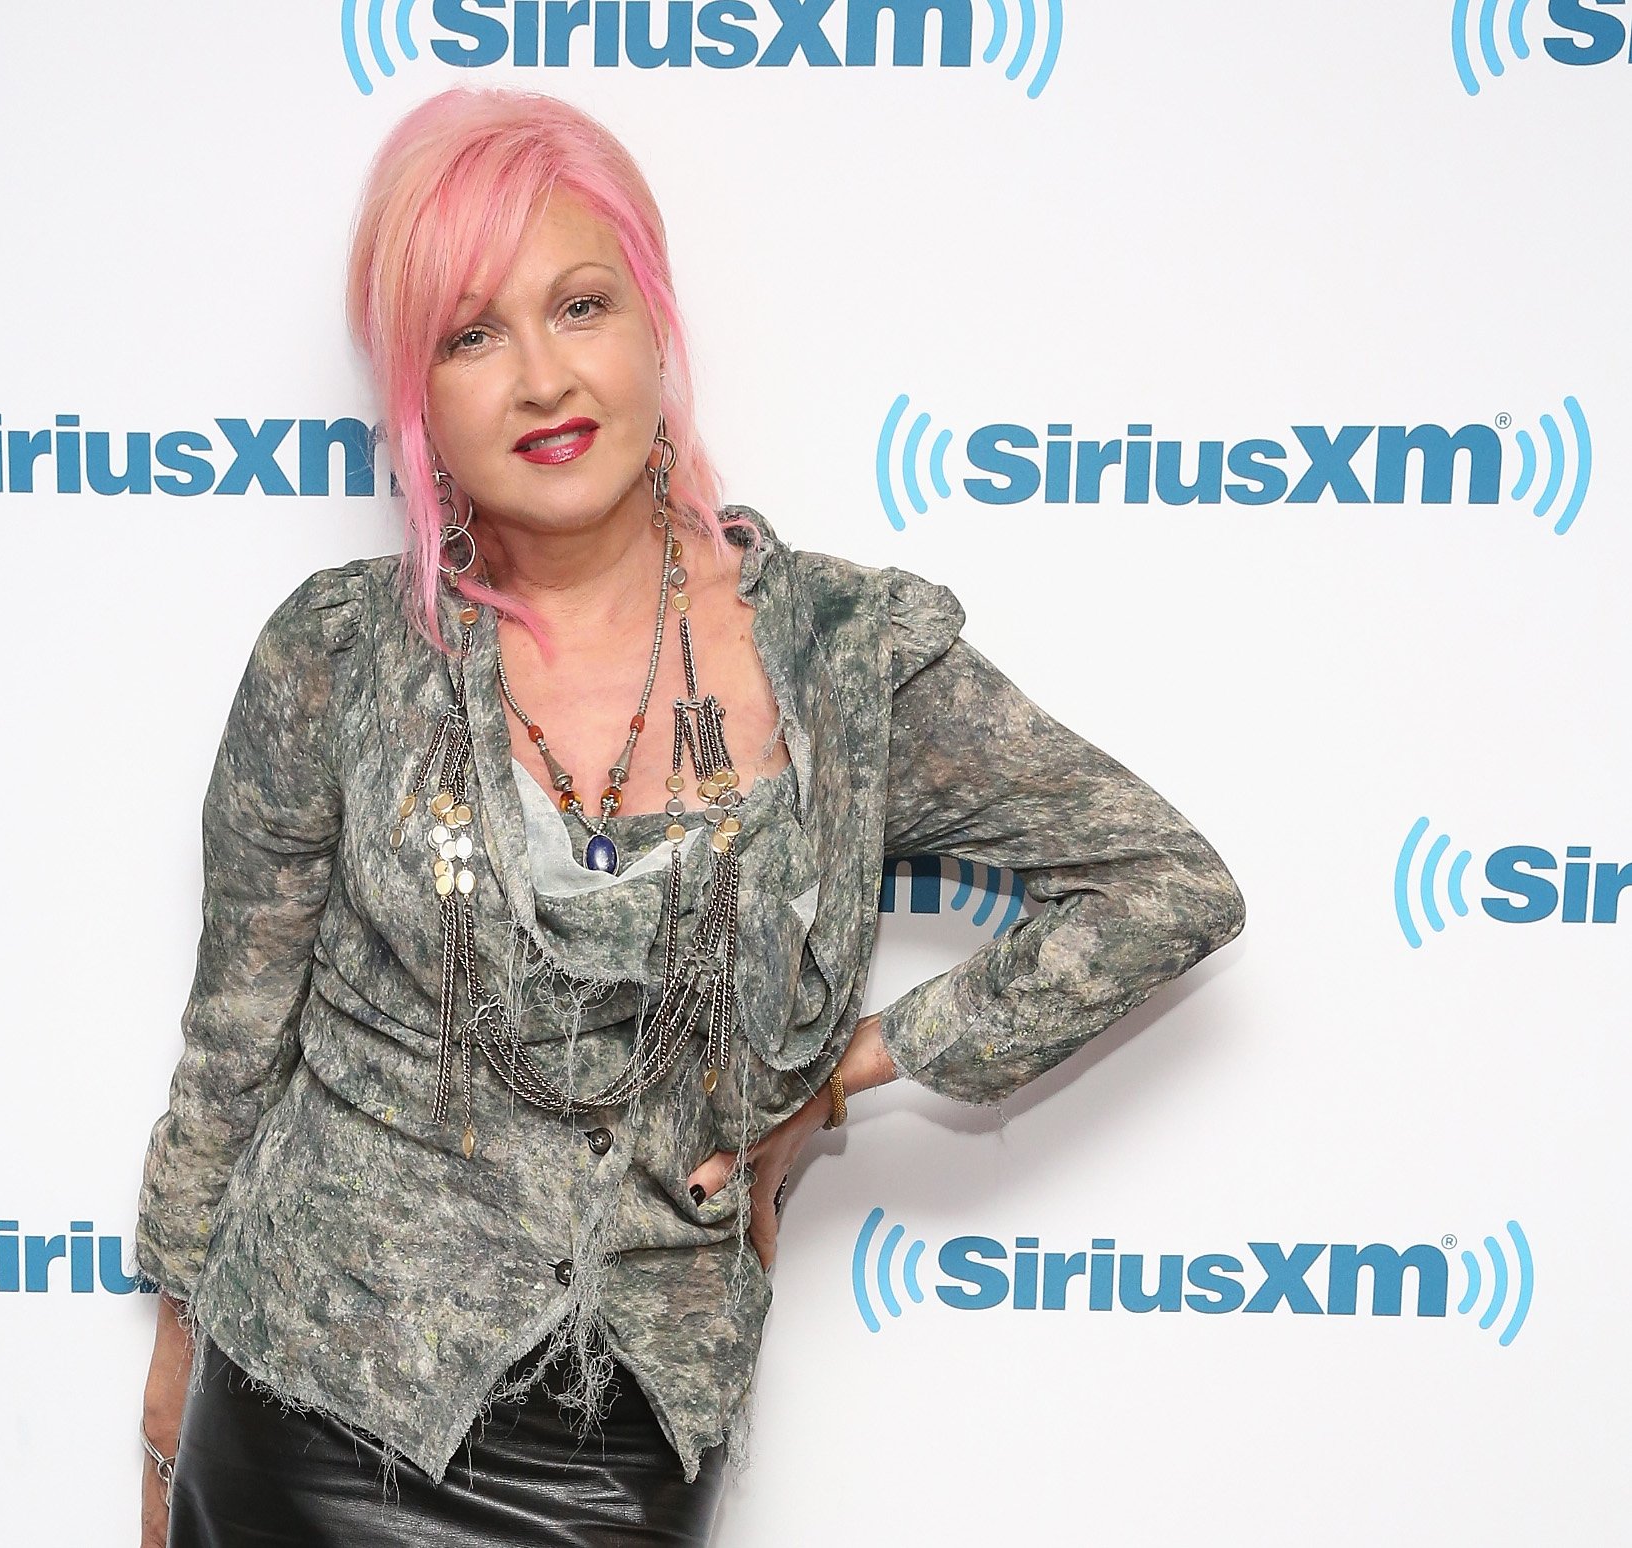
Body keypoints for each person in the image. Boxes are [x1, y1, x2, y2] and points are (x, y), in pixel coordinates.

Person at [135, 86, 1245, 1548]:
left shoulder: (845, 659)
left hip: (615, 1451)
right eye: (471, 336)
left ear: (654, 322)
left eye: (580, 304)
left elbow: (1163, 885)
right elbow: (234, 1037)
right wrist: (171, 1391)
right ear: (418, 396)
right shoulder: (337, 655)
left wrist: (839, 1076)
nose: (543, 378)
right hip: (300, 1400)